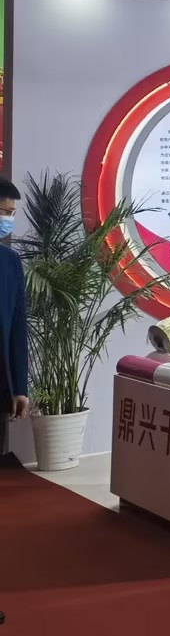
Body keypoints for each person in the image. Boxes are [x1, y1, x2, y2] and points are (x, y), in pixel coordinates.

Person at [0, 178, 28, 457]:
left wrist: (20, 388)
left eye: (12, 214)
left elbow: (18, 329)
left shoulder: (10, 262)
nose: (8, 220)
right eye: (5, 213)